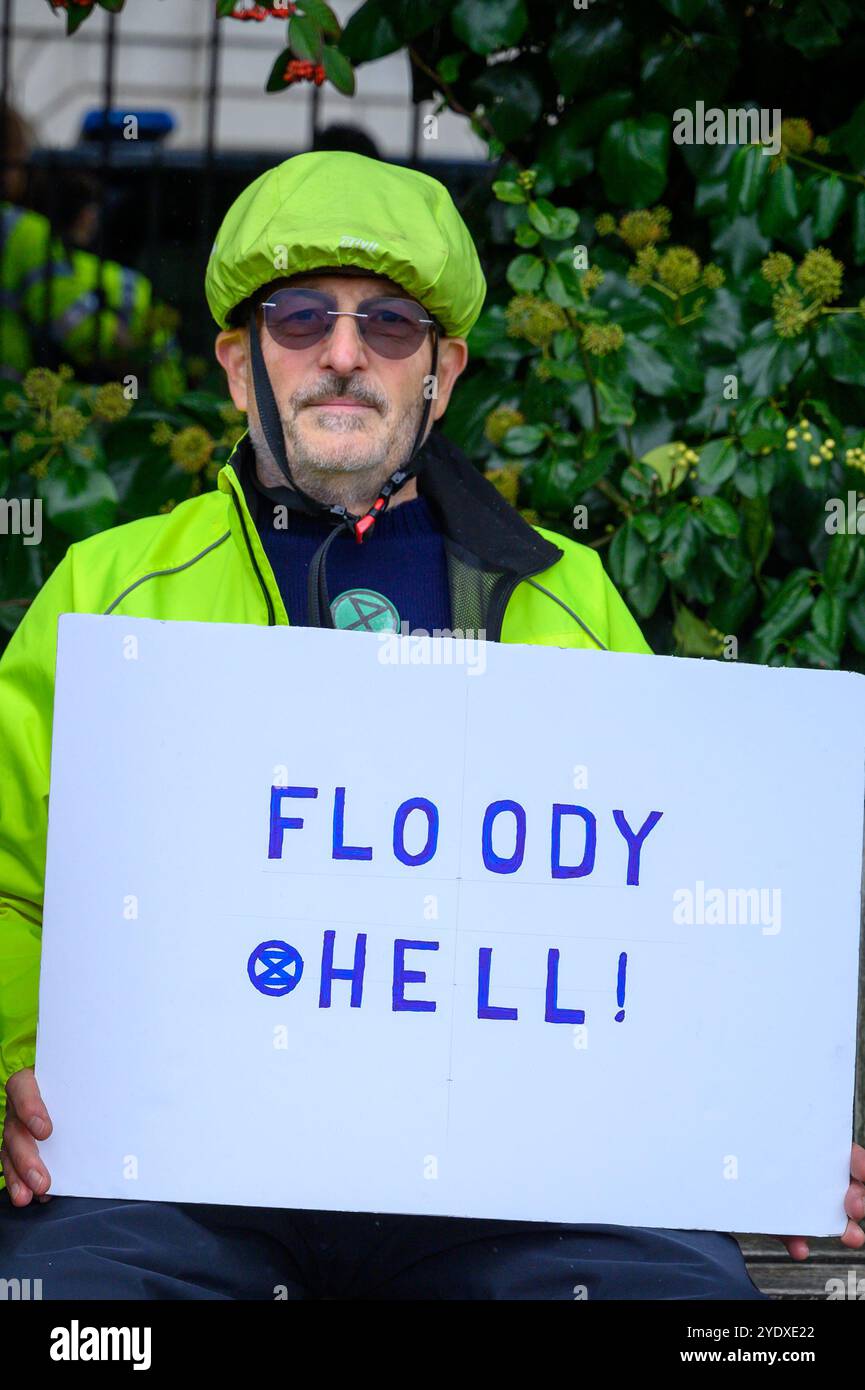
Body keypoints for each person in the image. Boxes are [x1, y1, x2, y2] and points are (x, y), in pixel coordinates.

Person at [0, 151, 861, 1301]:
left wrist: (761, 1125)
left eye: (391, 324)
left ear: (442, 372)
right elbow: (10, 879)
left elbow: (674, 920)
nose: (344, 352)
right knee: (71, 1315)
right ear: (236, 364)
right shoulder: (111, 592)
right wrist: (9, 1065)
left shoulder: (563, 594)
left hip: (512, 1187)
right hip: (176, 1179)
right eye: (300, 317)